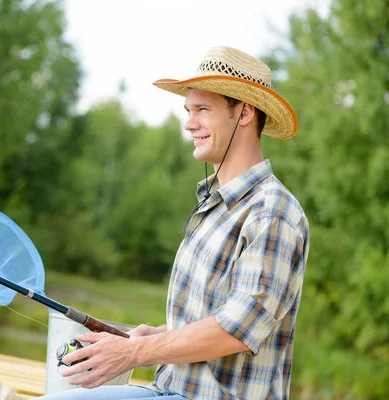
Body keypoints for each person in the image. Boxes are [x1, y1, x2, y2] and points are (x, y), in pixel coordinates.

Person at [36, 46, 310, 400]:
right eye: (188, 110)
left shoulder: (273, 212)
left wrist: (134, 353)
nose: (189, 122)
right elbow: (216, 315)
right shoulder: (214, 205)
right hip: (167, 389)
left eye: (202, 110)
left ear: (244, 113)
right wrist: (159, 336)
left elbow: (237, 330)